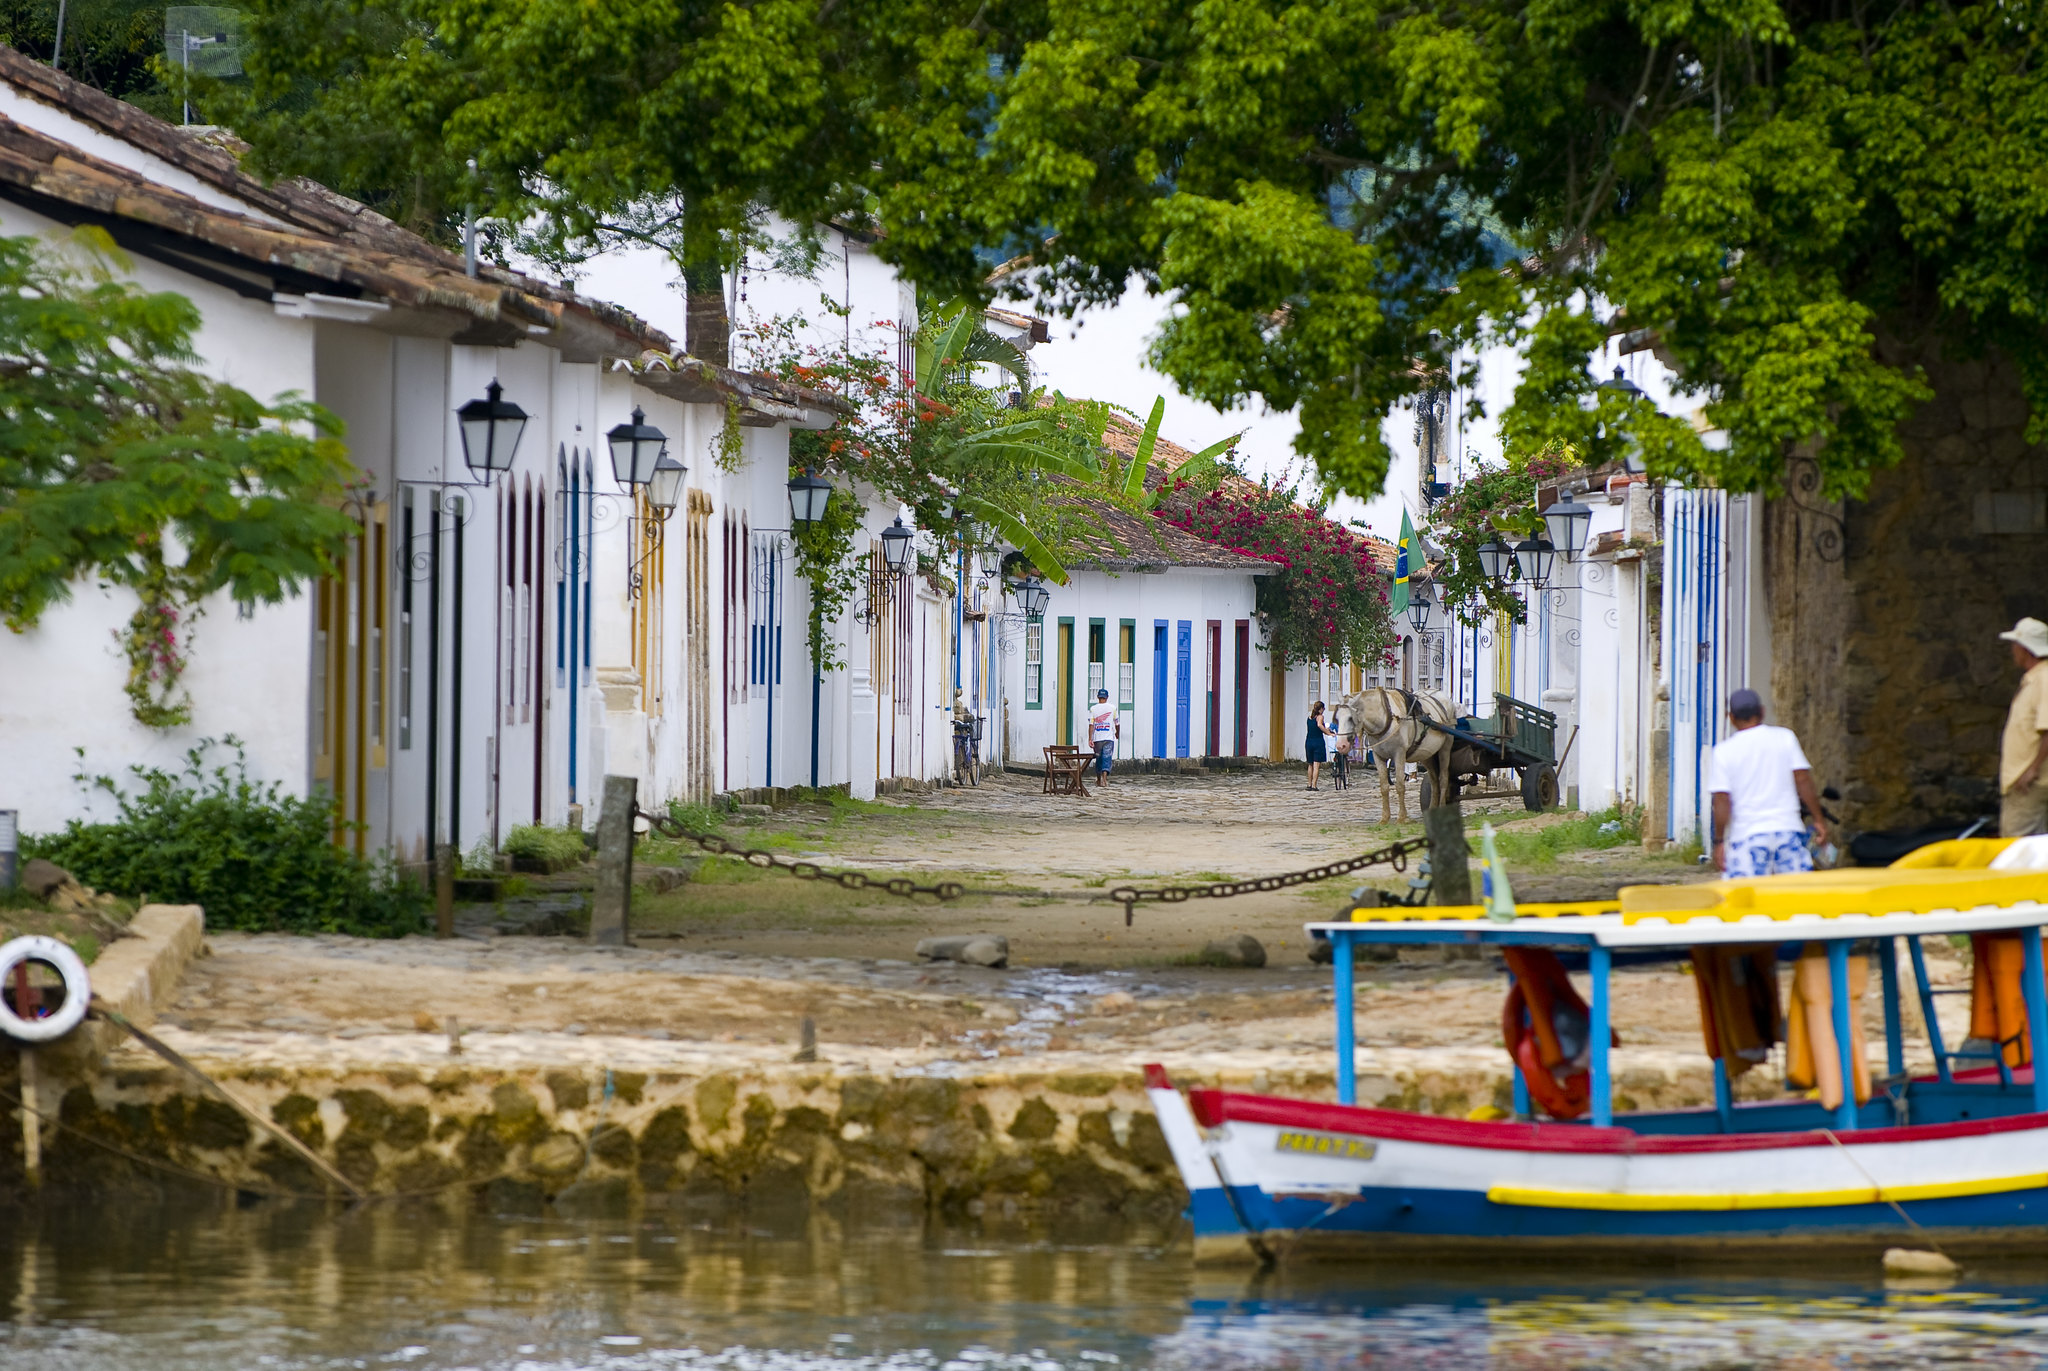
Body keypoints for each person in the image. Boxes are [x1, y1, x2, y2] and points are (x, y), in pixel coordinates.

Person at [1707, 688, 1830, 877]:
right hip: (1787, 831)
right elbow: (1803, 779)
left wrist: (1719, 840)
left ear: (1730, 717)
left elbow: (1722, 799)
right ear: (1762, 712)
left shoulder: (1723, 752)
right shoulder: (1785, 738)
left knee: (1746, 901)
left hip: (1747, 836)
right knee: (1796, 900)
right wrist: (1818, 820)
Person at [1998, 617, 2048, 836]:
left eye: (2015, 646)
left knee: (2018, 843)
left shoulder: (2044, 679)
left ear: (2026, 649)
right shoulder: (2035, 679)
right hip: (2025, 778)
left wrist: (2032, 769)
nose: (2013, 651)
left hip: (2029, 781)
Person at [1088, 688, 1118, 786]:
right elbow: (1117, 723)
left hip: (1098, 738)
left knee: (1099, 758)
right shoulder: (1112, 708)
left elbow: (1091, 724)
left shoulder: (1093, 709)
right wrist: (1117, 733)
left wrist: (1090, 738)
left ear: (1098, 697)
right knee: (1107, 758)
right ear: (1107, 697)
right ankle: (1105, 780)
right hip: (1109, 738)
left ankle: (1098, 779)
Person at [1305, 700, 1336, 791]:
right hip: (1318, 742)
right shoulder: (1320, 717)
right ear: (1320, 709)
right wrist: (1329, 733)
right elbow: (1319, 725)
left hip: (1308, 741)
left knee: (1310, 765)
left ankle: (1309, 784)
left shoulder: (1309, 718)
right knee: (1316, 765)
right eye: (1323, 708)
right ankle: (1314, 785)